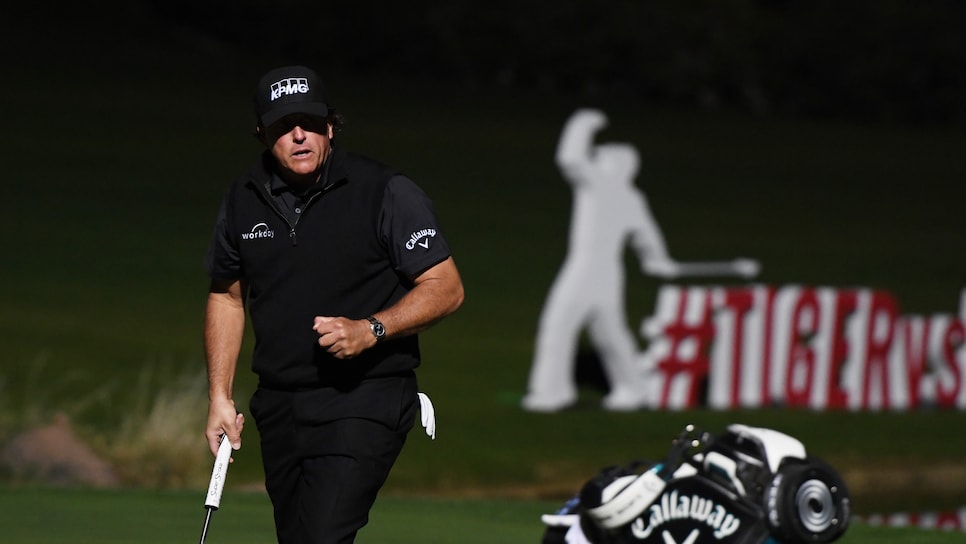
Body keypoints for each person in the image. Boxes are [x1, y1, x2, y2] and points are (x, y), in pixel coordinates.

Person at [203, 65, 464, 544]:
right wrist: (220, 396)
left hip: (365, 396)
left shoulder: (384, 191)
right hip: (281, 405)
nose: (298, 135)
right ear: (263, 135)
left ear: (330, 126)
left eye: (309, 122)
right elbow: (226, 297)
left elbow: (445, 286)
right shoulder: (243, 199)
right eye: (283, 126)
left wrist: (372, 329)